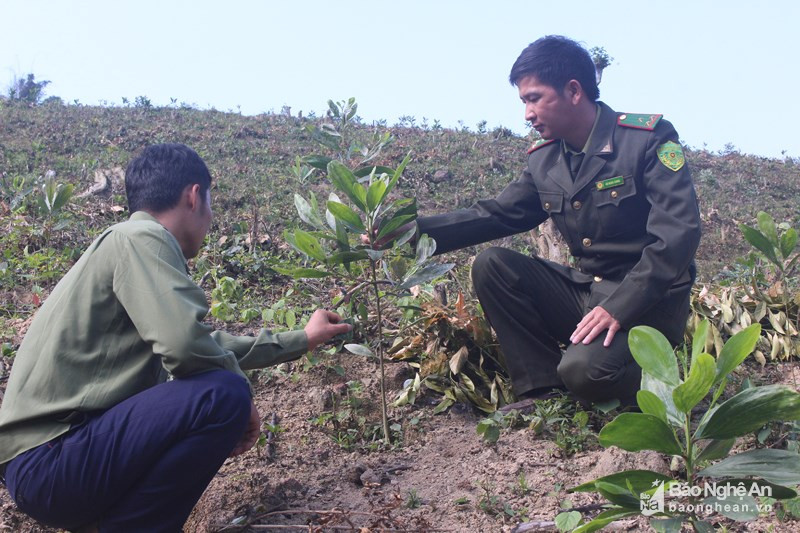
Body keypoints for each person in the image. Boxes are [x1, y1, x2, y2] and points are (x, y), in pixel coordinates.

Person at [0, 143, 352, 532]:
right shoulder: (139, 237)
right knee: (222, 394)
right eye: (212, 204)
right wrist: (239, 394)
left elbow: (202, 342)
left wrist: (302, 338)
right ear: (194, 195)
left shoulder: (125, 244)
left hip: (49, 464)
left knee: (219, 388)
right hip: (53, 459)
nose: (212, 218)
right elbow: (186, 347)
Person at [416, 36, 701, 409]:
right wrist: (408, 232)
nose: (527, 114)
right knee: (494, 265)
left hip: (647, 303)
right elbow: (497, 215)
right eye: (524, 102)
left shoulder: (645, 140)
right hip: (588, 294)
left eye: (534, 99)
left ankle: (669, 389)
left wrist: (620, 306)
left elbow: (678, 235)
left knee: (585, 372)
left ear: (573, 90)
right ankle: (541, 391)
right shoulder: (546, 159)